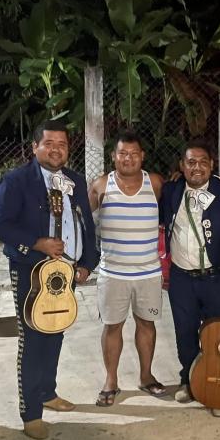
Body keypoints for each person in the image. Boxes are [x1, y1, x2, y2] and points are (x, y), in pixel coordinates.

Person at [0, 120, 98, 440]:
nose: (56, 149)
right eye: (49, 143)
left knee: (56, 330)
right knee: (33, 338)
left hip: (67, 272)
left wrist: (88, 263)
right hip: (31, 271)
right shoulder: (16, 181)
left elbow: (86, 226)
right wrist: (37, 243)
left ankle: (48, 393)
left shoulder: (75, 180)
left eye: (62, 144)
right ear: (34, 147)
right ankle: (30, 413)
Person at [160, 138, 220, 415]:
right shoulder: (171, 191)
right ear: (181, 166)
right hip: (182, 278)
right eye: (190, 162)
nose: (196, 167)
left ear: (212, 165)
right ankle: (188, 380)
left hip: (217, 278)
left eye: (202, 162)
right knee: (184, 332)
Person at [88, 130, 166, 407]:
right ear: (113, 156)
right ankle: (111, 380)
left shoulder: (155, 183)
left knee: (147, 324)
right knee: (112, 327)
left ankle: (146, 376)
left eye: (134, 154)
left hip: (148, 273)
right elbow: (85, 223)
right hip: (113, 273)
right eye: (122, 153)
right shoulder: (100, 185)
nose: (128, 158)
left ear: (142, 156)